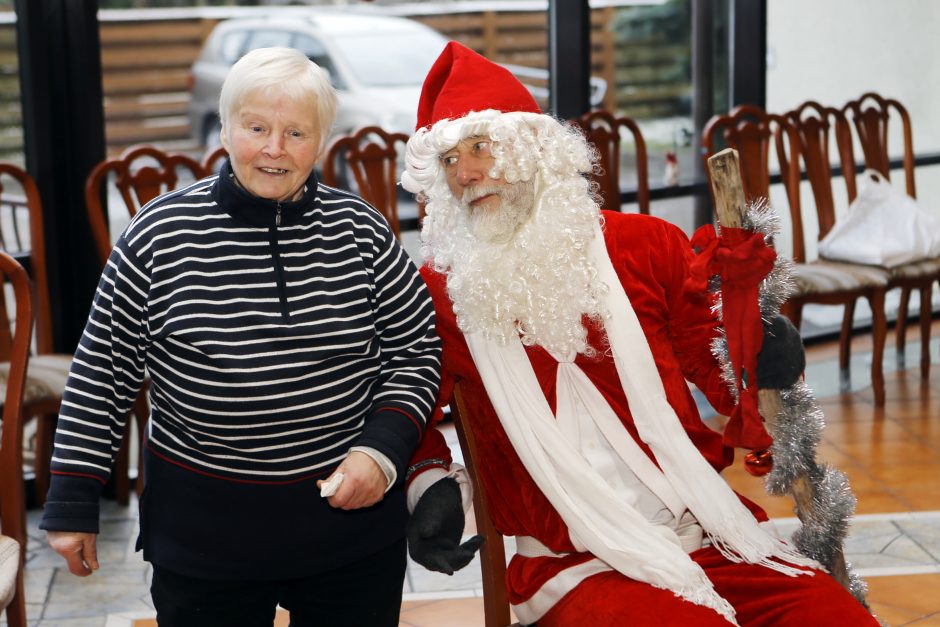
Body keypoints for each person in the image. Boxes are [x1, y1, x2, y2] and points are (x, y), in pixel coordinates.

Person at [401, 42, 881, 626]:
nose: (466, 173)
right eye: (449, 160)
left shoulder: (646, 246)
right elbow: (409, 405)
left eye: (480, 146)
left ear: (536, 149)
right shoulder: (440, 293)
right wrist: (430, 486)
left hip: (708, 533)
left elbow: (726, 370)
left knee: (832, 616)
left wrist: (761, 350)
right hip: (572, 562)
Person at [40, 47, 462, 627]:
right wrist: (70, 500)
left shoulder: (363, 231)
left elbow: (416, 352)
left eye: (295, 132)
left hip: (350, 528)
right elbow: (101, 373)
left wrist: (382, 453)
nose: (274, 148)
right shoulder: (159, 235)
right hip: (206, 538)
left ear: (320, 144)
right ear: (224, 128)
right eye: (257, 127)